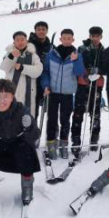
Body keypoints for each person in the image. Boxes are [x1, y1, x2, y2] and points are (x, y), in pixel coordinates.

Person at [41, 29, 85, 160]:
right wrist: (46, 85)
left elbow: (79, 73)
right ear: (60, 39)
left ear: (73, 40)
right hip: (52, 92)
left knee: (65, 120)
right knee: (52, 119)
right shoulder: (51, 54)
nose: (66, 40)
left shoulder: (77, 55)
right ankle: (51, 143)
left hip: (67, 93)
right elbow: (45, 72)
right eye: (64, 38)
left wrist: (76, 61)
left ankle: (63, 144)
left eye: (69, 38)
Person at [71, 26, 106, 154]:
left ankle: (94, 138)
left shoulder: (103, 50)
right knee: (78, 111)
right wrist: (86, 73)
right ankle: (75, 139)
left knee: (95, 112)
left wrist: (99, 71)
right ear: (89, 36)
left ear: (101, 37)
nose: (95, 38)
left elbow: (106, 66)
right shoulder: (82, 48)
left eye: (98, 36)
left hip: (98, 83)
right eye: (93, 36)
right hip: (83, 82)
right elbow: (78, 64)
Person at [0, 31, 43, 115]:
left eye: (22, 39)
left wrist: (23, 68)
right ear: (14, 42)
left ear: (26, 41)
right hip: (11, 91)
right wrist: (11, 56)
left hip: (28, 93)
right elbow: (4, 67)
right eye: (18, 40)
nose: (20, 42)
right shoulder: (9, 54)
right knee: (10, 116)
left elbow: (38, 70)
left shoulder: (33, 55)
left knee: (26, 118)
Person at [29, 22, 53, 120]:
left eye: (43, 29)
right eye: (38, 29)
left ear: (47, 31)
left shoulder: (51, 47)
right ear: (35, 31)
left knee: (47, 111)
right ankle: (30, 129)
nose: (41, 31)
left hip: (44, 81)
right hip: (30, 81)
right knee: (31, 111)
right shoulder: (28, 45)